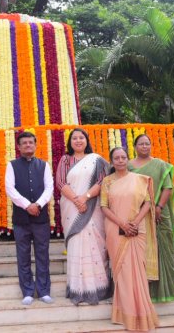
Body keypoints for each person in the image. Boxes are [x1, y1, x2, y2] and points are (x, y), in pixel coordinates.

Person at [101, 147, 160, 331]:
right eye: (116, 158)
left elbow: (148, 202)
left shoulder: (140, 180)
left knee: (137, 271)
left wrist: (134, 222)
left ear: (128, 159)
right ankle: (125, 314)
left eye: (123, 157)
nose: (120, 160)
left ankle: (141, 314)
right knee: (123, 272)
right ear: (111, 161)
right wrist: (123, 224)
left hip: (137, 228)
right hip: (115, 229)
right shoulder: (107, 182)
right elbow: (104, 207)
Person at [55, 128, 112, 305]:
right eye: (74, 138)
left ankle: (98, 287)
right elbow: (61, 182)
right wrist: (77, 200)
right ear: (70, 142)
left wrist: (85, 197)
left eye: (81, 137)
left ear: (87, 140)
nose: (78, 141)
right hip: (72, 209)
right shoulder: (65, 160)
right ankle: (77, 288)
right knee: (76, 242)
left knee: (95, 244)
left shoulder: (97, 160)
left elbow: (103, 181)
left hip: (92, 208)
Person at [4, 131, 54, 306]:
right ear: (18, 146)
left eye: (30, 143)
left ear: (35, 144)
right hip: (21, 220)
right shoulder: (12, 165)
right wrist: (27, 205)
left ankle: (44, 291)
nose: (27, 145)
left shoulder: (44, 165)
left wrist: (38, 205)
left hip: (41, 219)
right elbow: (10, 189)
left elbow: (49, 188)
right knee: (23, 255)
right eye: (24, 143)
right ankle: (27, 291)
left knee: (42, 255)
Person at [129, 134, 174, 302]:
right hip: (137, 215)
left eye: (147, 144)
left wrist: (158, 207)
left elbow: (168, 187)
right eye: (141, 144)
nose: (144, 146)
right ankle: (142, 291)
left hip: (159, 213)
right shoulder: (127, 166)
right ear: (135, 146)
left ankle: (165, 291)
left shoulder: (160, 165)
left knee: (163, 249)